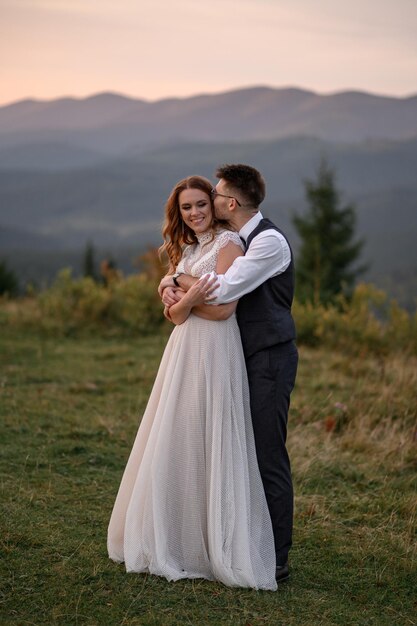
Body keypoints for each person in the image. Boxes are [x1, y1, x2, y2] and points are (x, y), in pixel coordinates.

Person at [108, 175, 277, 591]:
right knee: (180, 435)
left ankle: (210, 542)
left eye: (202, 204)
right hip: (182, 350)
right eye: (187, 208)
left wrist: (175, 289)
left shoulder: (228, 245)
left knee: (208, 433)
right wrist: (182, 292)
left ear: (215, 205)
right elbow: (176, 317)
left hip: (215, 350)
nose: (196, 213)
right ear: (178, 212)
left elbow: (222, 311)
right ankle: (179, 540)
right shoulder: (186, 249)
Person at [160, 164, 298, 582]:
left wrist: (174, 278)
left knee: (267, 452)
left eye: (215, 195)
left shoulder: (268, 242)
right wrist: (176, 280)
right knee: (238, 446)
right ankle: (233, 537)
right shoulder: (241, 238)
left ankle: (275, 556)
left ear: (230, 203)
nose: (211, 201)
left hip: (269, 357)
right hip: (242, 354)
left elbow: (221, 291)